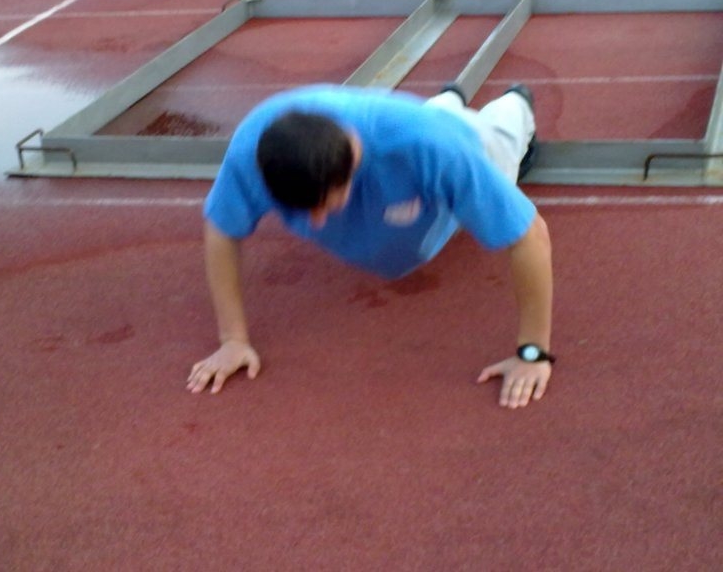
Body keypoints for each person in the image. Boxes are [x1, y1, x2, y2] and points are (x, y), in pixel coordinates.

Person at [187, 82, 554, 409]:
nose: (316, 222)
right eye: (301, 210)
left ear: (353, 162)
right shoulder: (250, 152)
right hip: (405, 125)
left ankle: (515, 102)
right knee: (428, 120)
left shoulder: (433, 149)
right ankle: (447, 99)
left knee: (499, 140)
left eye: (325, 205)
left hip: (458, 139)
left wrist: (533, 353)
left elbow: (530, 236)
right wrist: (232, 339)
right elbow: (221, 230)